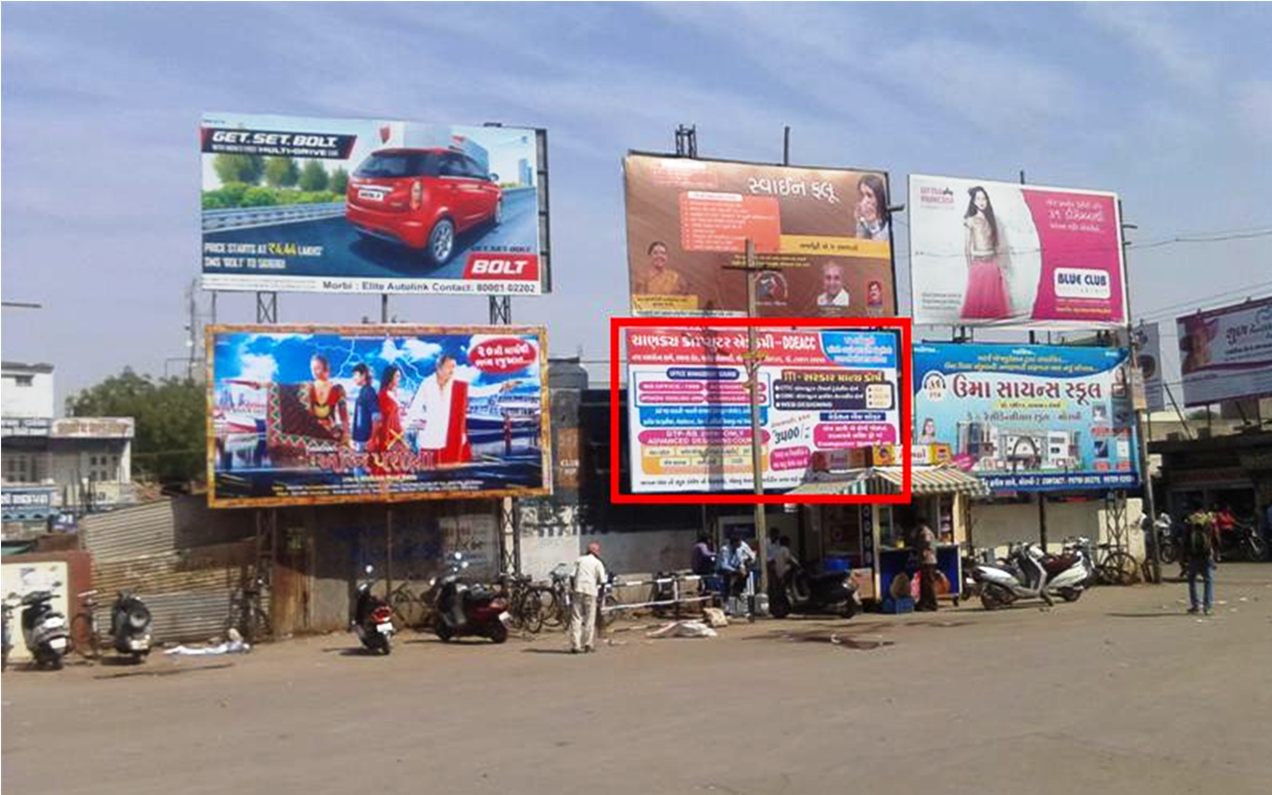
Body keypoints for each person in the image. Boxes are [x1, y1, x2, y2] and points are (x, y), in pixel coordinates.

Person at [404, 354, 517, 466]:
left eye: (454, 367)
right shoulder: (427, 384)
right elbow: (416, 407)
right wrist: (416, 422)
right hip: (431, 435)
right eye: (450, 367)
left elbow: (478, 392)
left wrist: (502, 386)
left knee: (456, 471)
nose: (453, 370)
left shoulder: (458, 384)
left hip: (453, 434)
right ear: (439, 368)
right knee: (430, 473)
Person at [961, 186, 1010, 320]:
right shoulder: (970, 220)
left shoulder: (992, 220)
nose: (981, 201)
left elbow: (998, 245)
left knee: (994, 300)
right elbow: (966, 247)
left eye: (984, 198)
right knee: (976, 301)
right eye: (978, 198)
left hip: (992, 264)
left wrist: (1000, 266)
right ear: (973, 201)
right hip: (978, 264)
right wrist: (969, 267)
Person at [570, 542, 608, 654]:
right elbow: (603, 581)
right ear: (596, 552)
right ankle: (587, 644)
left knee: (576, 618)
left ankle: (575, 645)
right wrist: (601, 596)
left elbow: (571, 576)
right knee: (589, 619)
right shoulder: (598, 563)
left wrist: (573, 589)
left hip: (578, 590)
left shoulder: (579, 560)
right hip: (591, 591)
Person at [366, 365, 404, 476]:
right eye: (397, 376)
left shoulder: (394, 394)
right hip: (386, 436)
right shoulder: (382, 395)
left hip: (396, 434)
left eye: (399, 376)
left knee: (396, 470)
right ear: (390, 377)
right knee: (384, 469)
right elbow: (377, 419)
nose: (399, 379)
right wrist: (373, 438)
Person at [1182, 508, 1220, 615]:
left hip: (1193, 555)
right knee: (1208, 580)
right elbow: (1216, 537)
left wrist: (1183, 556)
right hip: (1206, 554)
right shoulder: (1209, 520)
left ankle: (1195, 606)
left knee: (1192, 580)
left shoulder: (1189, 521)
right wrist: (1216, 552)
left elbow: (1185, 540)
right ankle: (1207, 607)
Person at [306, 354, 349, 444]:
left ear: (326, 368)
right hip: (313, 431)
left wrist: (346, 434)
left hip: (331, 432)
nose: (314, 372)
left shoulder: (338, 389)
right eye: (312, 369)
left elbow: (344, 415)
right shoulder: (309, 388)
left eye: (317, 368)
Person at [719, 537, 756, 607]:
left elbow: (740, 562)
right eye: (739, 542)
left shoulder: (738, 550)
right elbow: (723, 565)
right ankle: (726, 599)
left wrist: (742, 569)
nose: (741, 544)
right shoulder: (725, 550)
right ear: (734, 543)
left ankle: (737, 590)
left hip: (734, 568)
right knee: (727, 575)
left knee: (746, 573)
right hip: (723, 569)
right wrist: (736, 570)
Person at [856, 174, 891, 241]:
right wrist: (860, 224)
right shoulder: (863, 223)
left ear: (880, 198)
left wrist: (872, 223)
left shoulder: (888, 226)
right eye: (861, 195)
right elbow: (858, 248)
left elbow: (878, 247)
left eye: (869, 195)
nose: (864, 202)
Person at [914, 519, 939, 612]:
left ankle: (932, 604)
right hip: (926, 561)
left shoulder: (925, 532)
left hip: (928, 561)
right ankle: (924, 603)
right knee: (924, 583)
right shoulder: (925, 531)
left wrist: (923, 549)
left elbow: (926, 542)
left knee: (928, 583)